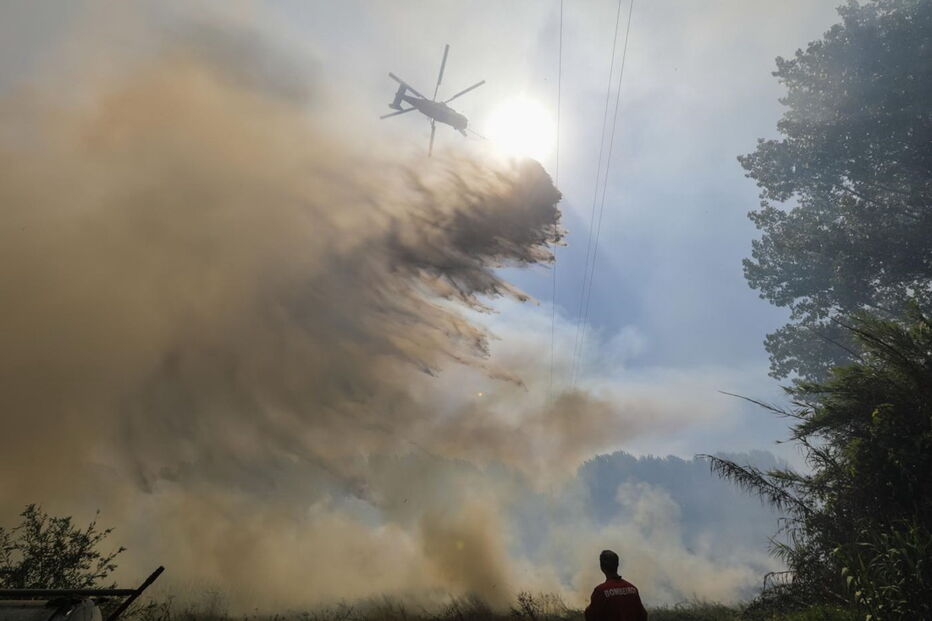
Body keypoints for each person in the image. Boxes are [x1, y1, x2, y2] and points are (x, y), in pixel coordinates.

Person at [584, 549, 648, 621]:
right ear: (617, 565)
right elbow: (643, 615)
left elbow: (591, 616)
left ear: (602, 567)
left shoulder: (600, 591)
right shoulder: (633, 589)